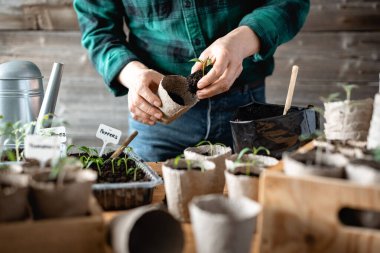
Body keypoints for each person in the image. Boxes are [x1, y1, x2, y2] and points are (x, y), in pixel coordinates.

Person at [74, 0, 310, 161]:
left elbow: (288, 3)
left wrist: (240, 41)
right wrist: (134, 75)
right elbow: (98, 30)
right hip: (159, 116)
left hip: (245, 110)